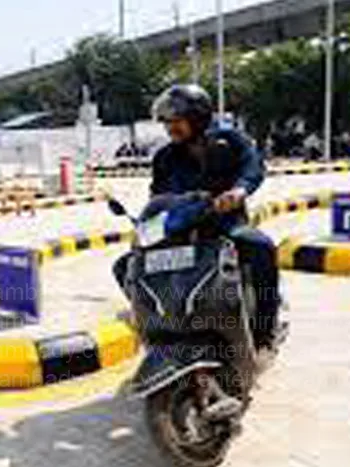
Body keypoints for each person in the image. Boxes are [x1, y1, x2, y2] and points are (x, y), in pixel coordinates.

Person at [114, 84, 281, 350]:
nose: (170, 128)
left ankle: (264, 330)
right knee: (126, 266)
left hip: (224, 225)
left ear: (197, 118)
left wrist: (239, 190)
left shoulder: (230, 141)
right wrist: (148, 226)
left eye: (176, 121)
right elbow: (158, 197)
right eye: (167, 122)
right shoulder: (165, 157)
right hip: (180, 230)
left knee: (261, 248)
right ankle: (160, 323)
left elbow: (252, 166)